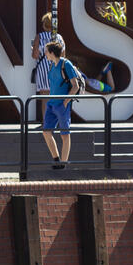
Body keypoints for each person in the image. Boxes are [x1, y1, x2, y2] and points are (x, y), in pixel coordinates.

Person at [41, 41, 80, 169]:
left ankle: (63, 164)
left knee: (65, 134)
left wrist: (65, 102)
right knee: (46, 132)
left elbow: (75, 86)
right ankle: (57, 160)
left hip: (62, 105)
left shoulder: (65, 64)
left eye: (46, 51)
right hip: (51, 103)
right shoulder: (52, 65)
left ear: (52, 52)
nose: (45, 54)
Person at [30, 12, 65, 118]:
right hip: (56, 69)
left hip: (43, 70)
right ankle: (56, 120)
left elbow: (35, 56)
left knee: (45, 98)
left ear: (44, 25)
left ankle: (46, 122)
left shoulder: (39, 37)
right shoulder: (59, 38)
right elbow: (63, 56)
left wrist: (35, 49)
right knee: (56, 97)